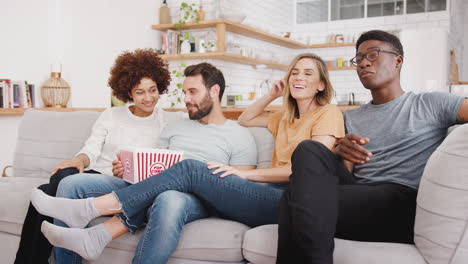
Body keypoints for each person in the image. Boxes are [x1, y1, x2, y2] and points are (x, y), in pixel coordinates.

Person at [30, 53, 345, 263]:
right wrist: (273, 94)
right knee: (79, 183)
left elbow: (309, 172)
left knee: (188, 174)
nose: (297, 77)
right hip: (213, 187)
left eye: (307, 73)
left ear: (321, 84)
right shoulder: (283, 118)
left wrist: (243, 174)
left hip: (288, 201)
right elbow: (248, 117)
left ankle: (93, 212)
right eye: (294, 72)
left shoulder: (329, 113)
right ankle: (91, 229)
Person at [275, 30, 468, 264]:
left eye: (373, 54)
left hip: (401, 200)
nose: (364, 62)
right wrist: (340, 152)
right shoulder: (351, 117)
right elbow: (342, 174)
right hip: (360, 196)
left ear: (398, 61)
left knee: (293, 200)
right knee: (309, 149)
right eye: (358, 59)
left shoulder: (430, 103)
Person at [35, 62, 259, 264]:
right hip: (155, 184)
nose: (186, 99)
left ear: (215, 90)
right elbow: (156, 167)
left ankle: (96, 226)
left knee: (168, 198)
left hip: (197, 197)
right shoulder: (175, 125)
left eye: (193, 92)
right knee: (70, 184)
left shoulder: (239, 135)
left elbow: (237, 189)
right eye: (184, 92)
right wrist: (127, 171)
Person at [14, 48, 179, 264]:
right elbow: (90, 149)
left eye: (153, 90)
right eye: (140, 92)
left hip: (124, 183)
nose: (148, 98)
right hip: (94, 173)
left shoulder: (167, 122)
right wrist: (78, 160)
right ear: (129, 92)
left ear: (160, 87)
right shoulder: (112, 115)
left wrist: (129, 171)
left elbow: (161, 166)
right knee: (57, 179)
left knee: (51, 191)